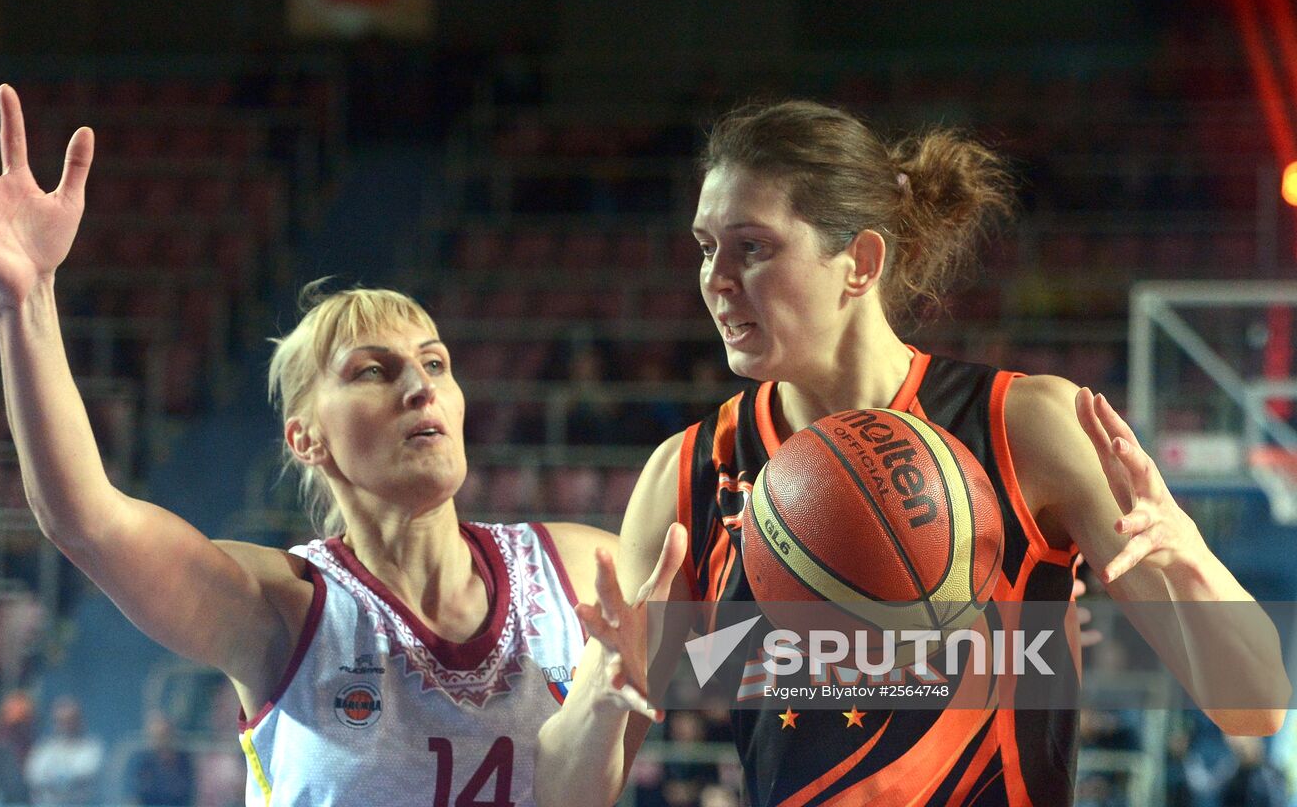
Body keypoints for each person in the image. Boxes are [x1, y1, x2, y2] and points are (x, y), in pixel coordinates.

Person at [536, 100, 1289, 806]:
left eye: (753, 248)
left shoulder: (1022, 427)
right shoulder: (689, 474)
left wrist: (1189, 554)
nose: (716, 281)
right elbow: (565, 793)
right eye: (706, 249)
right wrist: (606, 687)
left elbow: (1254, 707)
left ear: (861, 261)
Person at [0, 85, 615, 806]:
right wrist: (25, 300)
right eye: (373, 371)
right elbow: (86, 519)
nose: (419, 387)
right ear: (306, 437)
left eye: (435, 363)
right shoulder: (283, 609)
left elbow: (735, 667)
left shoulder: (584, 573)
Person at [24, 695, 105, 805]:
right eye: (61, 721)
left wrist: (55, 778)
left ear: (79, 720)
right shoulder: (45, 748)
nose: (66, 725)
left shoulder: (91, 747)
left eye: (70, 720)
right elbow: (33, 776)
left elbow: (84, 774)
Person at [125, 710, 195, 806]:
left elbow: (191, 794)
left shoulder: (186, 762)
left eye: (165, 736)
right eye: (156, 738)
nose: (161, 742)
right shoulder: (144, 764)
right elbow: (135, 797)